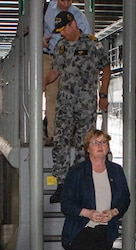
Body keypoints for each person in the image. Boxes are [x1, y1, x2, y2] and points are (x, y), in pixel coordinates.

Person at [44, 10, 111, 203]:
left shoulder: (93, 44)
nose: (61, 34)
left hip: (85, 104)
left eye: (63, 29)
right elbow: (55, 71)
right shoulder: (61, 47)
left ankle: (79, 185)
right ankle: (62, 185)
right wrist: (43, 82)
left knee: (85, 144)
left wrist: (103, 95)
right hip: (65, 103)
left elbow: (106, 69)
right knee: (61, 141)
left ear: (72, 24)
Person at [42, 0, 91, 144]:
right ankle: (53, 135)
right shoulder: (45, 10)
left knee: (71, 97)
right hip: (49, 55)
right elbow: (30, 29)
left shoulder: (79, 17)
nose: (65, 3)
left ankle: (76, 135)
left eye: (69, 0)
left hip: (71, 59)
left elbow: (87, 41)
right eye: (62, 0)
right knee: (52, 96)